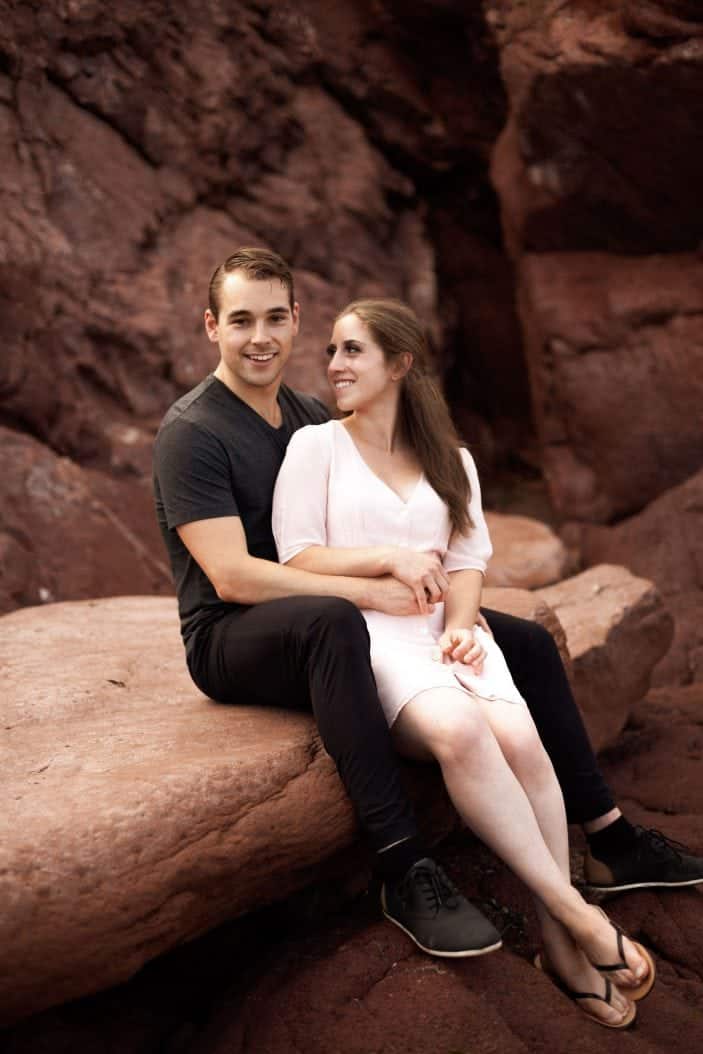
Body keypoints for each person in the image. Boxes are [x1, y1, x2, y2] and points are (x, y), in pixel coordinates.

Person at [152, 246, 703, 969]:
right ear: (210, 327)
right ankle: (402, 867)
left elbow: (382, 528)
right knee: (335, 626)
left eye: (276, 318)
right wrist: (369, 588)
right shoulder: (193, 432)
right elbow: (229, 577)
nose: (261, 337)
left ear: (295, 322)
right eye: (241, 320)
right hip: (233, 637)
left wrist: (443, 609)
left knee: (523, 642)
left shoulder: (308, 414)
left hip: (326, 603)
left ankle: (607, 837)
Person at [272, 297, 657, 1027]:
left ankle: (560, 943)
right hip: (367, 634)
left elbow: (469, 561)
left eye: (352, 351)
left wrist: (458, 626)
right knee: (458, 730)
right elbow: (297, 552)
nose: (332, 365)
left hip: (446, 631)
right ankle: (577, 919)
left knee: (520, 739)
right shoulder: (314, 448)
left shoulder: (453, 461)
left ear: (400, 365)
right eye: (332, 350)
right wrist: (386, 556)